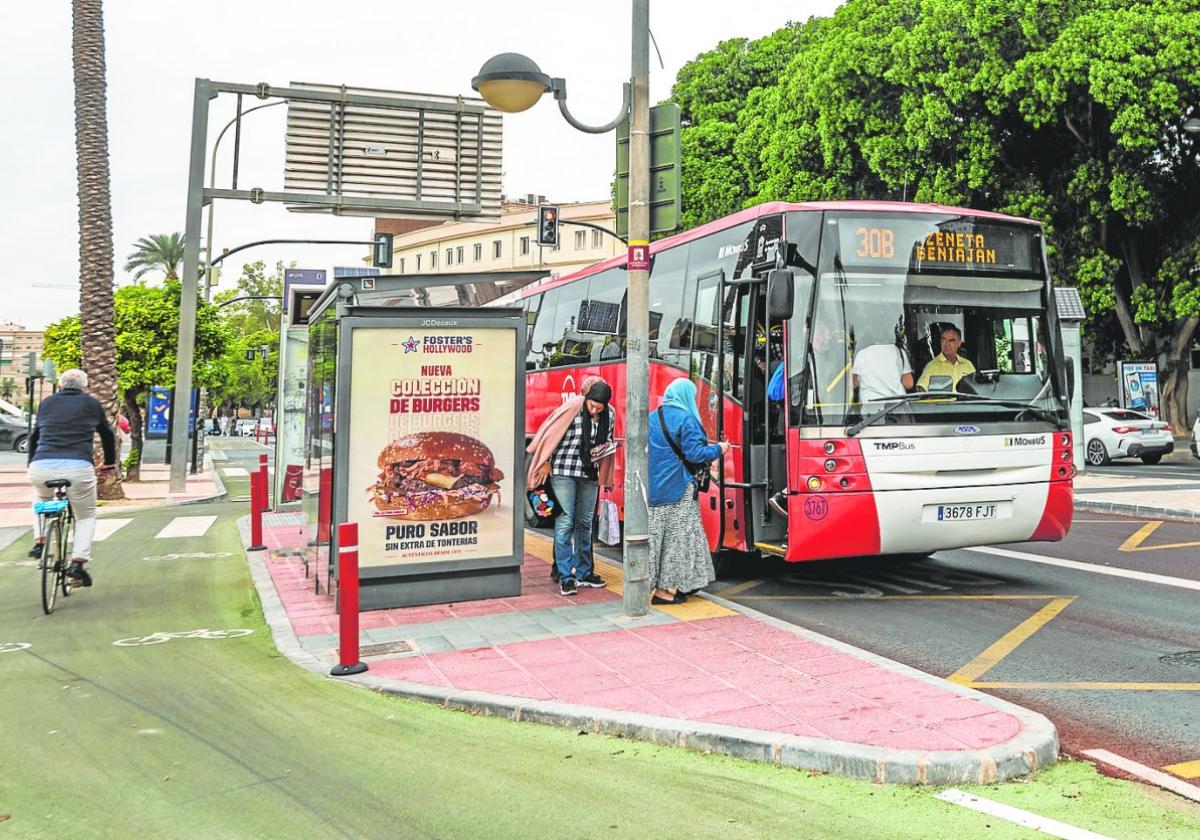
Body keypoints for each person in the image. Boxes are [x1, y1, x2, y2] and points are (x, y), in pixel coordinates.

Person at [526, 378, 617, 596]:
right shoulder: (574, 406)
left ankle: (584, 572)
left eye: (599, 408)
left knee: (585, 523)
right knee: (566, 521)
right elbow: (551, 435)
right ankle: (566, 576)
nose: (595, 411)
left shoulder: (610, 415)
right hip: (563, 471)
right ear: (586, 399)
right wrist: (546, 461)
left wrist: (605, 464)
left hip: (588, 473)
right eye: (592, 406)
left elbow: (606, 441)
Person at [26, 368, 117, 587]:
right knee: (85, 515)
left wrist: (32, 464)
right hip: (78, 466)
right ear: (85, 386)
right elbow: (106, 434)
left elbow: (35, 437)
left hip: (41, 464)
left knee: (40, 498)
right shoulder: (91, 404)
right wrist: (109, 463)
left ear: (60, 384)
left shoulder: (47, 403)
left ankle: (39, 541)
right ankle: (77, 563)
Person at [647, 379, 730, 604]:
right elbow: (694, 454)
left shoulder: (653, 417)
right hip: (678, 488)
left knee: (661, 540)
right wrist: (719, 449)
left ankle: (682, 584)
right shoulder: (686, 419)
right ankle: (666, 590)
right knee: (679, 540)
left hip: (656, 488)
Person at [853, 328, 913, 406]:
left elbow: (854, 383)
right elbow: (909, 384)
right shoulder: (899, 352)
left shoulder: (861, 354)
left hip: (870, 405)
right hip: (897, 406)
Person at [917, 324, 975, 391]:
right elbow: (921, 388)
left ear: (959, 343)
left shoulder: (968, 365)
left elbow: (976, 389)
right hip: (943, 401)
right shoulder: (932, 366)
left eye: (951, 340)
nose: (947, 344)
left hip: (966, 401)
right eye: (944, 340)